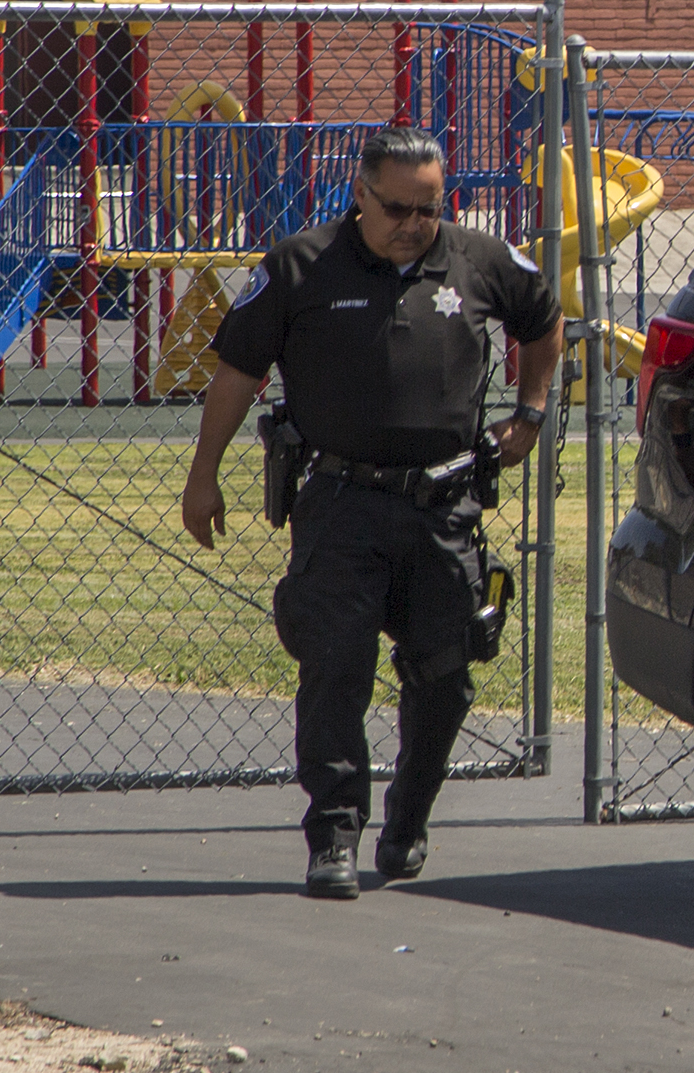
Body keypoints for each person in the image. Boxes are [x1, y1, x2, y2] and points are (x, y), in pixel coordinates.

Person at [180, 125, 562, 898]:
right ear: (359, 194)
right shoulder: (300, 266)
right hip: (341, 503)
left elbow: (545, 319)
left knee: (446, 674)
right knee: (335, 668)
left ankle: (410, 817)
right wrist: (204, 475)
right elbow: (236, 373)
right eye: (397, 209)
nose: (414, 224)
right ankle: (334, 835)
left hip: (444, 505)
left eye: (428, 208)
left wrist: (531, 410)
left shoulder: (478, 258)